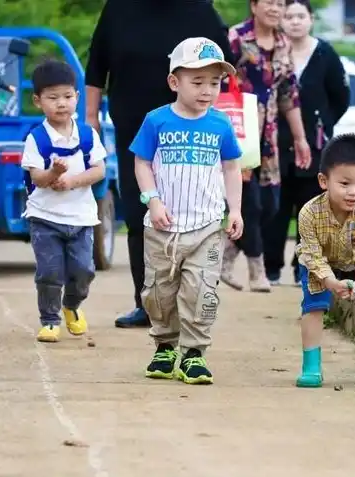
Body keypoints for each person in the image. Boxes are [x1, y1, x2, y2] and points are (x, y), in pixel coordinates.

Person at [85, 0, 235, 328]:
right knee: (142, 215)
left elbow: (224, 69)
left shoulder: (200, 11)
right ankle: (148, 304)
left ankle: (189, 304)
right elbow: (96, 67)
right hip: (135, 132)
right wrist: (90, 118)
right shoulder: (119, 8)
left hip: (192, 134)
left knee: (193, 216)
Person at [130, 38, 243, 385]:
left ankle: (194, 354)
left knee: (201, 291)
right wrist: (153, 200)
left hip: (207, 225)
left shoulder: (221, 124)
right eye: (198, 82)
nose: (207, 90)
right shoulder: (156, 121)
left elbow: (231, 168)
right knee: (159, 291)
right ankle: (165, 345)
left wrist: (234, 210)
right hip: (163, 227)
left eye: (215, 82)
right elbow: (142, 162)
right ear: (174, 82)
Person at [220, 0, 311, 293]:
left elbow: (288, 93)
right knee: (252, 204)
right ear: (254, 6)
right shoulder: (235, 38)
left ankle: (224, 256)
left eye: (280, 3)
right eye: (269, 2)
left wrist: (300, 138)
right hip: (238, 133)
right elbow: (218, 84)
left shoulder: (283, 41)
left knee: (271, 204)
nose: (275, 8)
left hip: (269, 136)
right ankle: (257, 271)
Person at [264, 0, 350, 286]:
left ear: (311, 19)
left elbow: (340, 97)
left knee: (310, 208)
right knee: (275, 207)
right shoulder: (273, 51)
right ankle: (270, 267)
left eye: (301, 16)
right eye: (289, 16)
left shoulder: (325, 53)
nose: (295, 21)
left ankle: (303, 268)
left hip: (314, 146)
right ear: (281, 20)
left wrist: (321, 125)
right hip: (275, 143)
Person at [295, 133, 355, 388]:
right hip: (319, 265)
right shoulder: (309, 213)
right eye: (345, 183)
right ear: (324, 181)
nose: (354, 192)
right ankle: (311, 364)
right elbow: (313, 256)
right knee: (313, 305)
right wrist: (330, 282)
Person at [21, 60, 107, 343]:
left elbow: (99, 170)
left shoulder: (86, 135)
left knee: (84, 270)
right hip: (45, 217)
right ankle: (49, 319)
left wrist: (71, 181)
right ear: (38, 101)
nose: (61, 104)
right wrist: (53, 173)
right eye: (53, 97)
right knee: (49, 271)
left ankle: (72, 305)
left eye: (68, 96)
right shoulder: (37, 138)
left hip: (81, 218)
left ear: (77, 98)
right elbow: (36, 177)